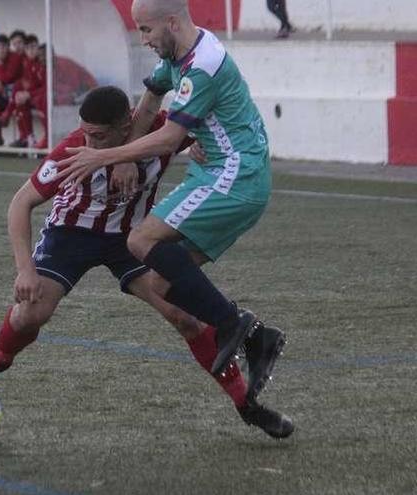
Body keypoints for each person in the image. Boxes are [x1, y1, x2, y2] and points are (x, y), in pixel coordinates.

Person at [0, 86, 293, 438]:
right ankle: (0, 358)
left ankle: (246, 406)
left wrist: (200, 147)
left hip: (132, 239)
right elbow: (20, 204)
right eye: (86, 133)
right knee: (30, 313)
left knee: (185, 317)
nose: (90, 143)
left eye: (98, 136)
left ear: (126, 124)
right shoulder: (71, 149)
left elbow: (207, 126)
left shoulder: (163, 131)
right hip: (71, 235)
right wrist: (25, 268)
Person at [54, 0, 287, 397]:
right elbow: (147, 106)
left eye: (145, 30)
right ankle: (258, 339)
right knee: (160, 284)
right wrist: (126, 160)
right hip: (219, 172)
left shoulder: (201, 67)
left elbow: (168, 138)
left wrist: (105, 156)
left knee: (139, 241)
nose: (142, 39)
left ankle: (234, 323)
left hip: (235, 173)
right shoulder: (178, 55)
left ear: (172, 23)